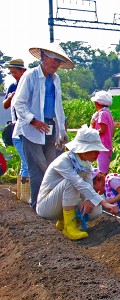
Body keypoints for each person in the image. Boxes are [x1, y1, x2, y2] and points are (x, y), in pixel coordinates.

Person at [13, 43, 73, 211]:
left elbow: (58, 106)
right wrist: (33, 121)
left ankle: (50, 205)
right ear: (43, 57)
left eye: (58, 62)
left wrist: (62, 129)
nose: (55, 64)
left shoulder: (56, 79)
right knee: (36, 168)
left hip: (50, 126)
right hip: (31, 129)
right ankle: (37, 206)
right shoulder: (30, 76)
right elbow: (19, 103)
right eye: (52, 59)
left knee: (51, 166)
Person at [36, 125, 119, 241]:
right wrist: (105, 203)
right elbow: (78, 183)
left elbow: (89, 185)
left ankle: (64, 221)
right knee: (71, 183)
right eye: (94, 150)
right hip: (47, 207)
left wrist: (88, 200)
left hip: (62, 203)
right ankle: (70, 227)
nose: (98, 154)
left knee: (95, 210)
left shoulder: (86, 165)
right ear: (83, 149)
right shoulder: (63, 162)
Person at [2, 58, 29, 183]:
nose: (13, 75)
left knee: (27, 160)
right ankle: (24, 187)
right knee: (26, 160)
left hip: (28, 125)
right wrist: (12, 97)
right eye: (11, 72)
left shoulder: (29, 84)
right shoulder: (13, 86)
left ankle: (24, 187)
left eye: (15, 72)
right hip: (18, 126)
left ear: (22, 71)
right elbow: (5, 105)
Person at [90, 90, 114, 173]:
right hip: (107, 145)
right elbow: (112, 132)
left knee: (102, 170)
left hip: (102, 145)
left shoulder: (102, 114)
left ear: (97, 103)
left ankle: (103, 185)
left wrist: (92, 132)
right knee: (104, 168)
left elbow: (102, 130)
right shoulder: (108, 113)